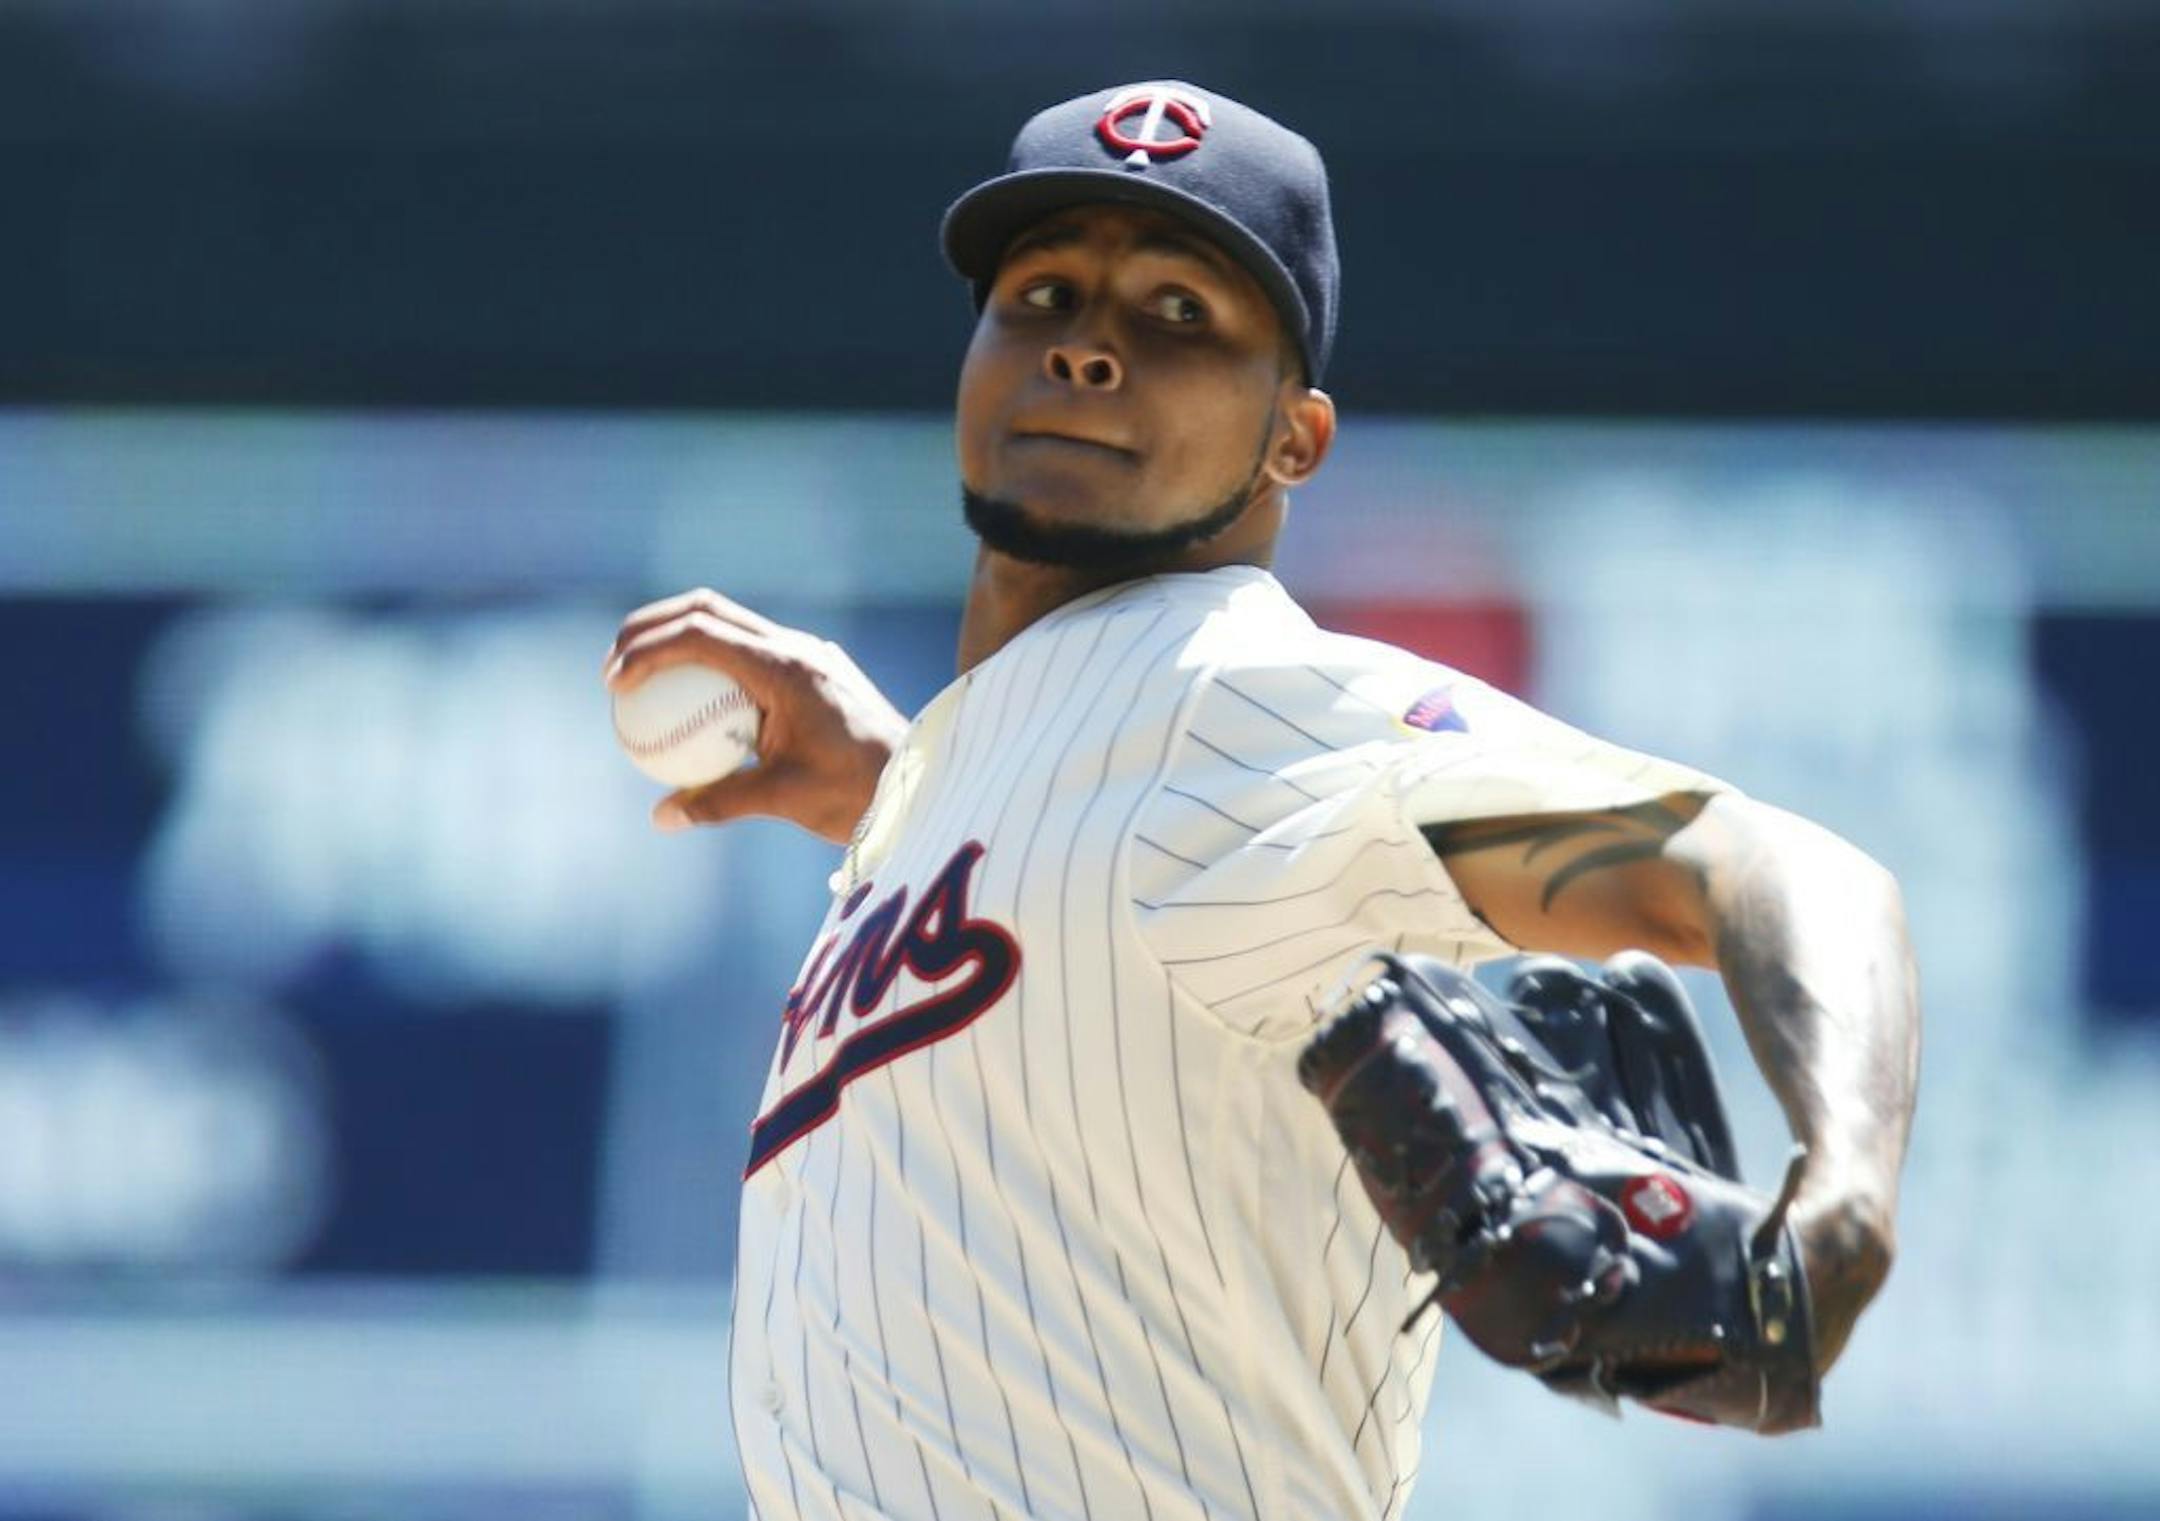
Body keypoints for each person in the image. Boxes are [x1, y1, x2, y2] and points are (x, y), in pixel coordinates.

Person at [604, 80, 1920, 1521]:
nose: (1089, 347)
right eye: (1042, 293)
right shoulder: (989, 783)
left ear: (1294, 440)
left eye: (1181, 315)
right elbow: (1107, 886)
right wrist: (904, 787)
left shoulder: (1241, 702)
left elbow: (1778, 862)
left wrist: (1844, 1190)